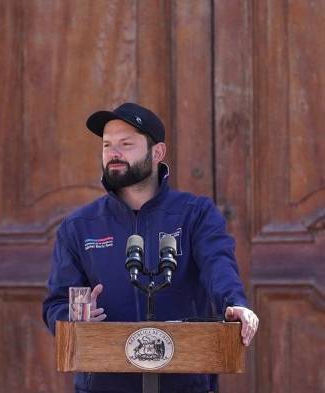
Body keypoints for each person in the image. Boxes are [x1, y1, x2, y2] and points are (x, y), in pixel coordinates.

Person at [42, 102, 259, 393]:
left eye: (126, 144)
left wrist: (235, 304)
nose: (113, 154)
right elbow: (55, 303)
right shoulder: (78, 226)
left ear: (157, 153)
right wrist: (72, 317)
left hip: (185, 384)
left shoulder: (196, 214)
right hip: (104, 385)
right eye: (107, 145)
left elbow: (218, 265)